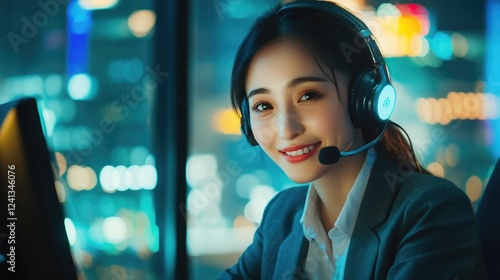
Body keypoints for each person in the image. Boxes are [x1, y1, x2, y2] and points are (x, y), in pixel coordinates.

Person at [219, 1, 488, 279]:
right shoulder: (281, 215)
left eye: (308, 95)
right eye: (264, 106)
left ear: (364, 98)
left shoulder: (430, 210)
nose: (287, 129)